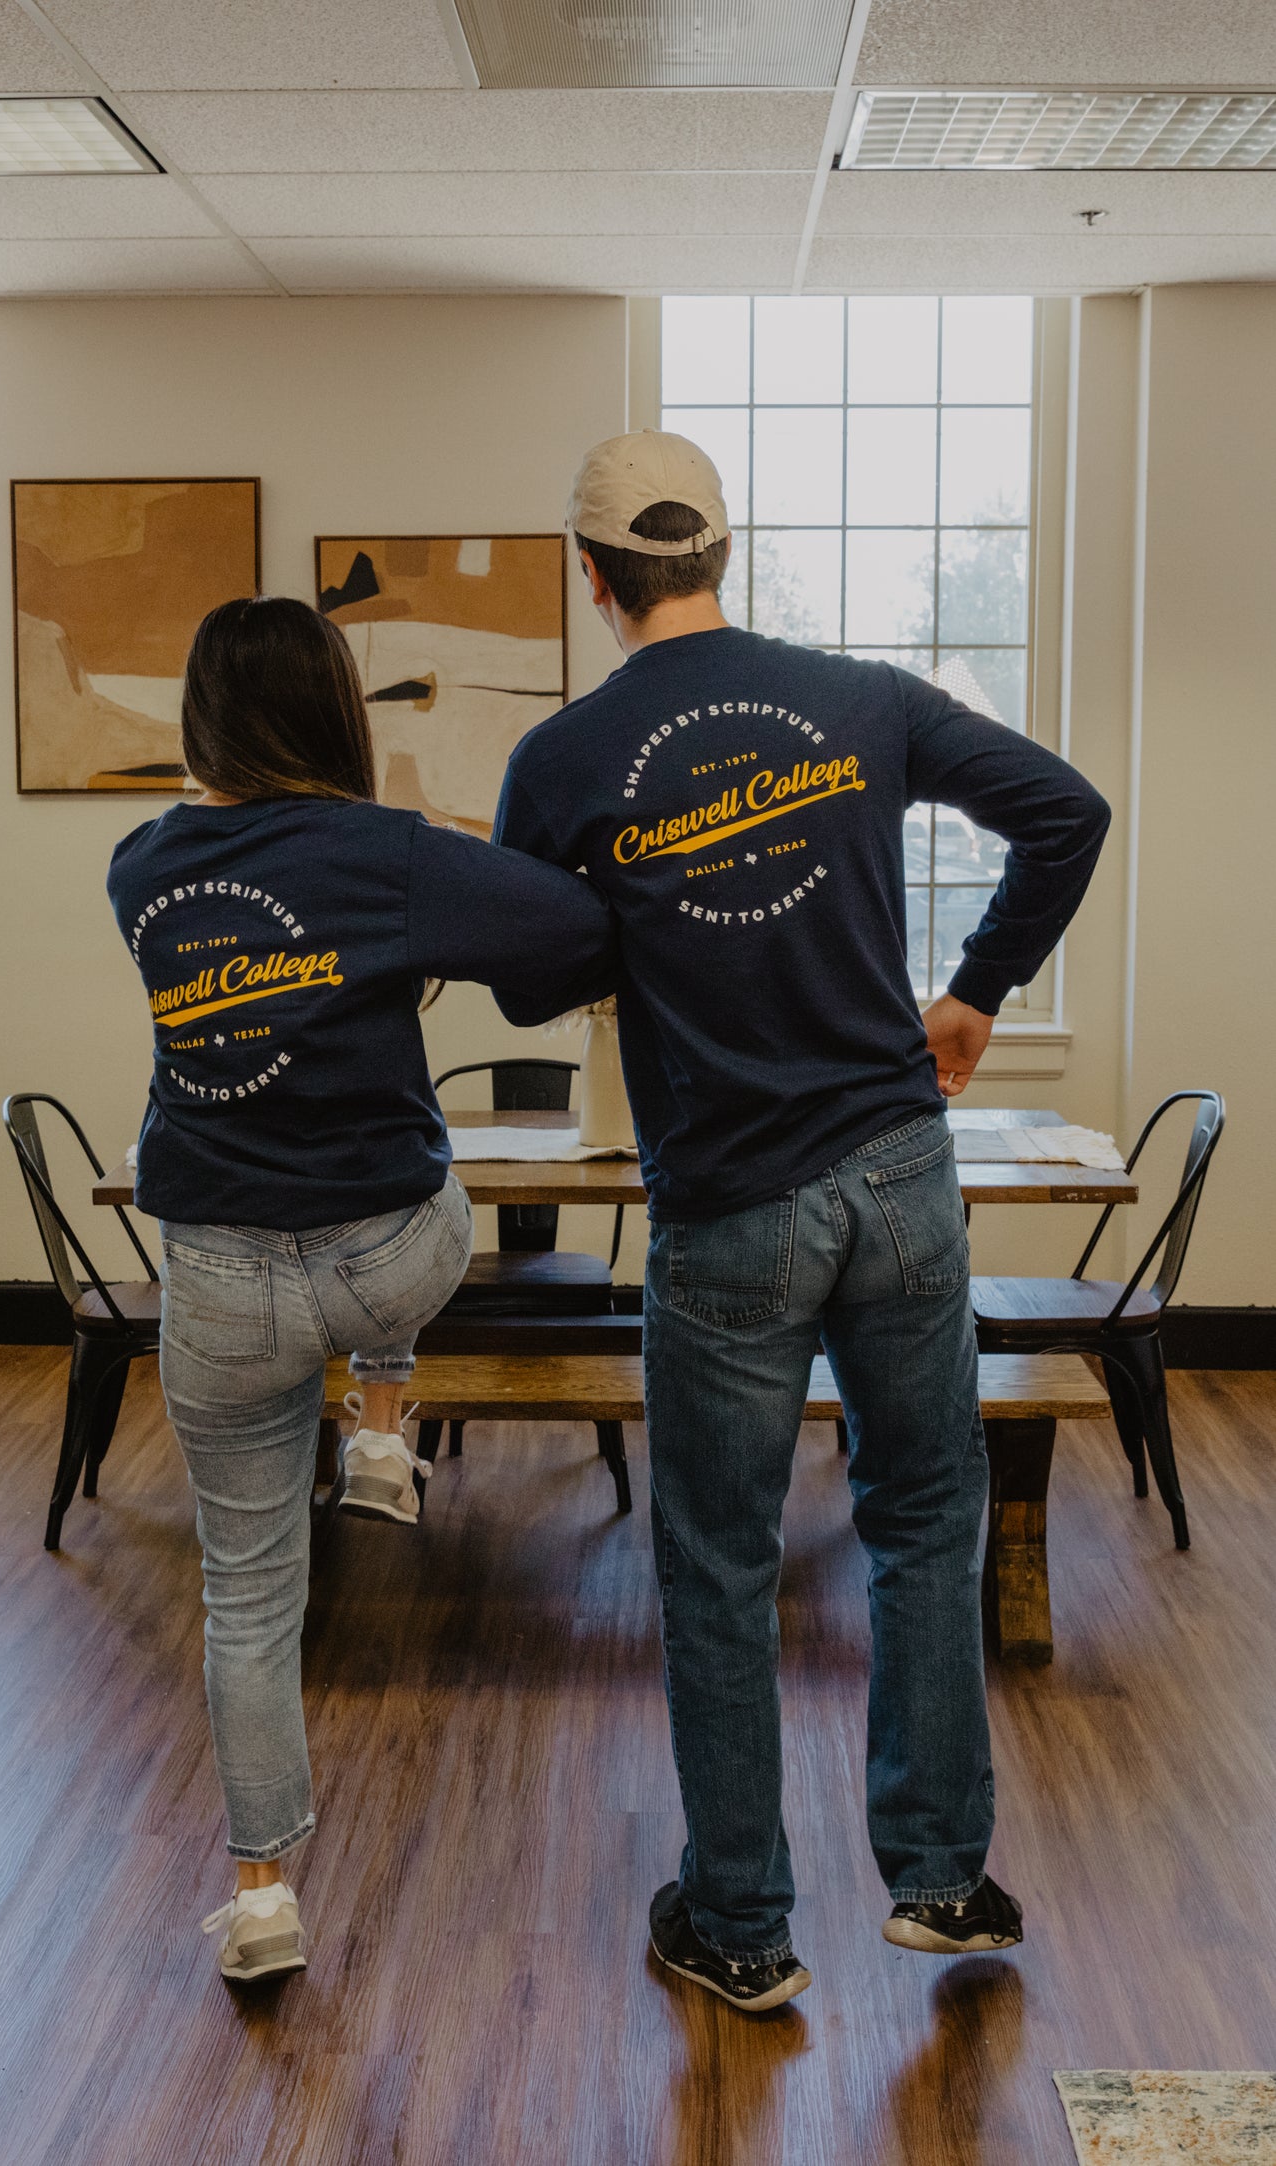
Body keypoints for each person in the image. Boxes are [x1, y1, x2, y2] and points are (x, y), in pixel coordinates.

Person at [493, 430, 1110, 2013]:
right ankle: (942, 1882)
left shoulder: (564, 762)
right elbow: (1066, 812)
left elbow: (527, 978)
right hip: (901, 1178)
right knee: (920, 1519)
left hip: (731, 1208)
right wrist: (971, 994)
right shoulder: (863, 701)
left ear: (592, 574)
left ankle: (741, 1926)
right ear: (718, 551)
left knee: (713, 1563)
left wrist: (633, 899)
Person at [107, 595, 616, 1985]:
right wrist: (425, 940)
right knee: (430, 1171)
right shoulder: (385, 853)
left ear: (201, 718)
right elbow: (573, 927)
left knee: (250, 1599)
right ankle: (384, 1426)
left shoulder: (140, 867)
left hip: (212, 1279)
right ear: (335, 708)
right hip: (388, 1261)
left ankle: (261, 1894)